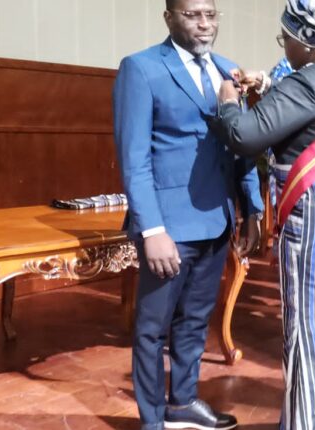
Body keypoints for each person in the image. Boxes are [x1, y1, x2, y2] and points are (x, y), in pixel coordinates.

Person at [214, 1, 315, 428]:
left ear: (306, 43)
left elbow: (244, 135)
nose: (284, 45)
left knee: (308, 324)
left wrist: (228, 102)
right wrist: (269, 84)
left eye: (286, 38)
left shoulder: (305, 83)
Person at [112, 1, 264, 429]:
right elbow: (134, 160)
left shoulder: (227, 70)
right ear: (169, 18)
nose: (204, 24)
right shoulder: (141, 68)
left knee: (196, 321)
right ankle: (152, 419)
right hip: (169, 227)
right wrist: (152, 230)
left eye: (210, 15)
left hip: (217, 219)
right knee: (152, 328)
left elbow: (242, 144)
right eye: (192, 15)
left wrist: (252, 208)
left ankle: (182, 402)